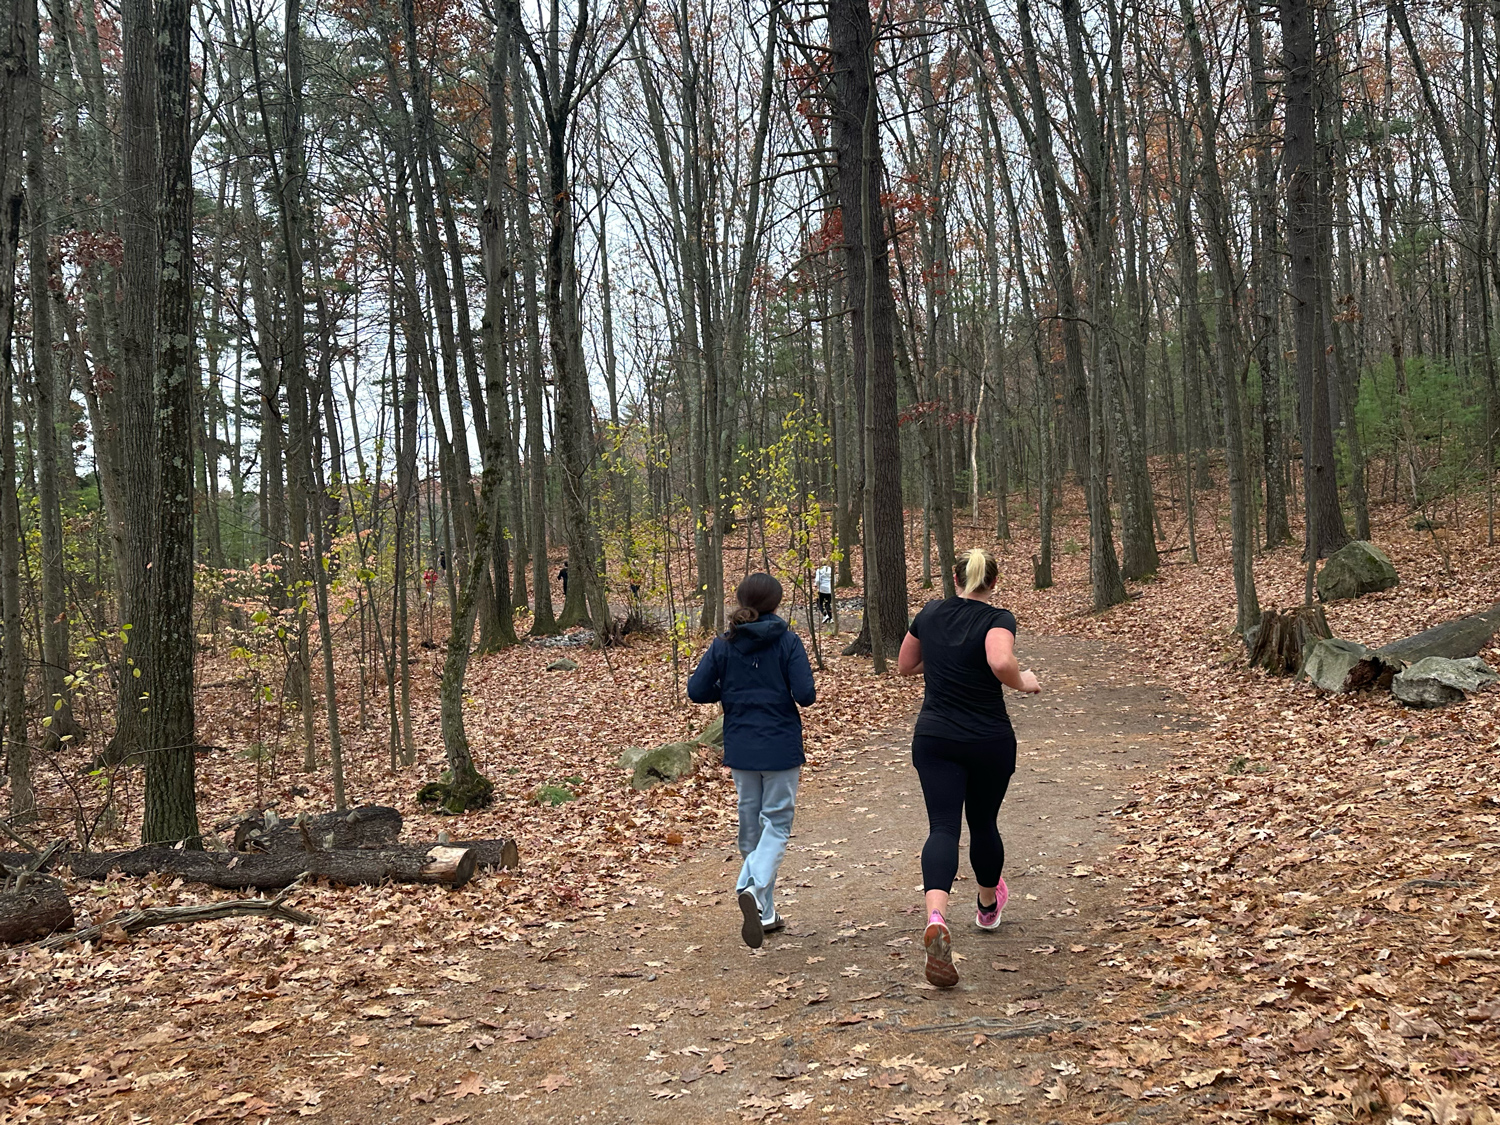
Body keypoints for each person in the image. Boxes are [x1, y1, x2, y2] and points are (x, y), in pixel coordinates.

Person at [898, 547, 1041, 988]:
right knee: (983, 823)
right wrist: (1024, 681)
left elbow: (906, 666)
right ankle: (985, 907)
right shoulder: (998, 618)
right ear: (992, 583)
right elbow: (1000, 661)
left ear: (955, 580)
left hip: (935, 736)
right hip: (987, 739)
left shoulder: (930, 613)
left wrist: (942, 663)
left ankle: (937, 916)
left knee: (942, 827)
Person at [687, 573, 816, 949]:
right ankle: (750, 885)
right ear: (775, 604)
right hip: (780, 746)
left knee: (751, 829)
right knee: (775, 824)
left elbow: (697, 691)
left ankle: (765, 911)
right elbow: (805, 695)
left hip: (741, 748)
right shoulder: (789, 642)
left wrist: (729, 691)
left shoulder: (724, 645)